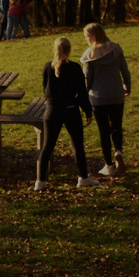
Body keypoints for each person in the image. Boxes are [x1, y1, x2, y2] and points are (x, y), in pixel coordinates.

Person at [37, 36, 96, 190]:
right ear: (68, 51)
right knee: (77, 146)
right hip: (70, 110)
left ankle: (40, 181)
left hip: (52, 110)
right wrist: (88, 111)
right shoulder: (75, 68)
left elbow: (45, 90)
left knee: (47, 147)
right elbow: (82, 93)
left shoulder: (47, 68)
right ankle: (83, 177)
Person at [80, 23, 132, 177]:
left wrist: (84, 96)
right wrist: (127, 87)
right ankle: (119, 151)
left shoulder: (90, 55)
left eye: (87, 36)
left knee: (104, 131)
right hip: (117, 94)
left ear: (95, 35)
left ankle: (109, 165)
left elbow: (87, 80)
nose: (86, 39)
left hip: (98, 97)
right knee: (116, 126)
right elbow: (125, 71)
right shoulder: (116, 49)